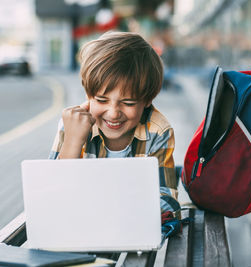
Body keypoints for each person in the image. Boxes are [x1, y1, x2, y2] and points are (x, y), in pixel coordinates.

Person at [49, 31, 180, 229]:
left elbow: (168, 201)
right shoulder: (72, 124)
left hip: (132, 228)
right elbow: (54, 194)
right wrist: (74, 141)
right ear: (88, 94)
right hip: (79, 226)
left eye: (127, 102)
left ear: (147, 100)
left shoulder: (158, 131)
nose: (113, 113)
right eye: (101, 100)